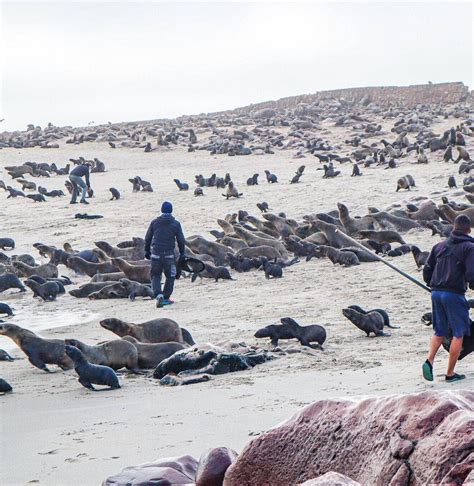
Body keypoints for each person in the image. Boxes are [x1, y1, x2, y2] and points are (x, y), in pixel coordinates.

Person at [422, 214, 474, 382]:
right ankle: (450, 373)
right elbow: (471, 273)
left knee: (440, 331)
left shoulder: (439, 246)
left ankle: (429, 361)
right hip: (454, 294)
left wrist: (433, 285)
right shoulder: (469, 248)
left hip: (436, 293)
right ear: (469, 230)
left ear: (453, 228)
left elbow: (427, 270)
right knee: (459, 333)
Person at [144, 201, 185, 308]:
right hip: (169, 255)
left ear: (162, 210)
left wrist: (147, 251)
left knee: (155, 275)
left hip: (156, 254)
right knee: (170, 276)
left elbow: (148, 238)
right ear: (171, 211)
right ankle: (166, 298)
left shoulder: (154, 223)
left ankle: (158, 295)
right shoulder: (176, 224)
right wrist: (182, 253)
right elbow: (181, 240)